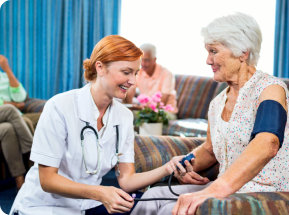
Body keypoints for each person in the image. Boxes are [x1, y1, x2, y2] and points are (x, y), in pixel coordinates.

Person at [131, 12, 289, 215]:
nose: (208, 60)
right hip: (235, 188)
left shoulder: (269, 89)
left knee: (170, 209)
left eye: (213, 51)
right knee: (150, 199)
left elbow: (268, 142)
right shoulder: (218, 103)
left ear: (243, 52)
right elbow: (209, 150)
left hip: (272, 191)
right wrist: (184, 164)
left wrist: (216, 188)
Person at [9, 35, 177, 215]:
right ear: (100, 67)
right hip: (42, 207)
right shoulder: (60, 106)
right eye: (126, 72)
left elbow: (127, 180)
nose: (134, 81)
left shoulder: (124, 117)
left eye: (136, 73)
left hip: (86, 206)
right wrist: (101, 192)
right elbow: (47, 180)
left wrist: (168, 168)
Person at [0, 55, 34, 190]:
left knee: (8, 129)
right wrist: (11, 104)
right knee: (9, 109)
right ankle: (34, 153)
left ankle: (20, 181)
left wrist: (7, 69)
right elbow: (15, 104)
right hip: (10, 112)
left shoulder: (3, 77)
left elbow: (21, 97)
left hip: (9, 119)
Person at [125, 43, 178, 117]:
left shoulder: (167, 74)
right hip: (145, 111)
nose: (143, 63)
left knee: (141, 117)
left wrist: (142, 108)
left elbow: (162, 101)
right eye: (141, 60)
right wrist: (129, 107)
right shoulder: (139, 72)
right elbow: (130, 90)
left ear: (154, 59)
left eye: (146, 60)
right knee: (125, 115)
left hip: (165, 112)